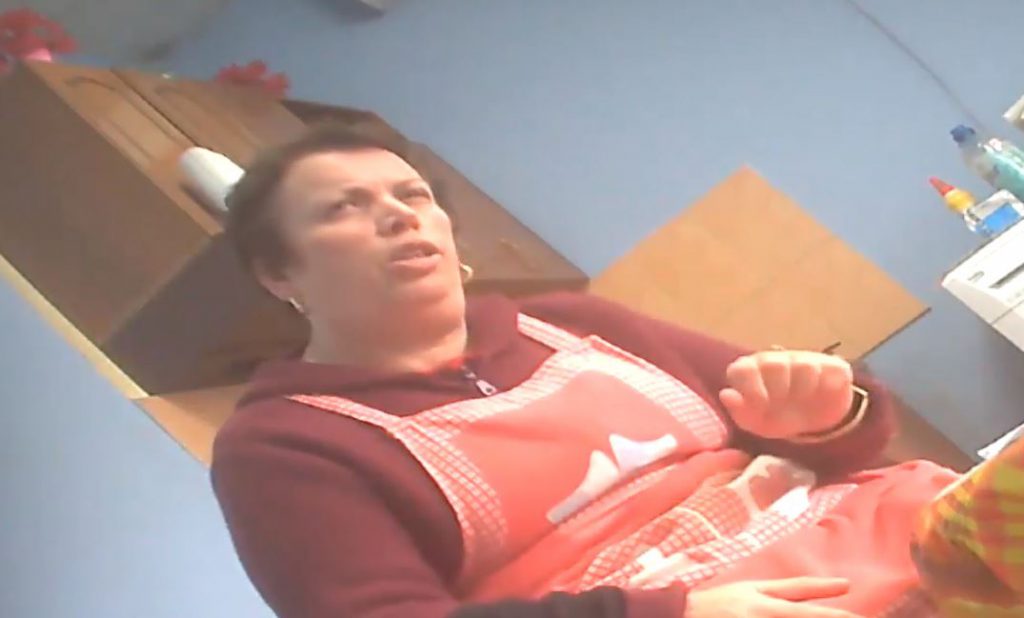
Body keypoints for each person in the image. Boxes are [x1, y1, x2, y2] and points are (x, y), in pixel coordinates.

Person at [211, 124, 959, 618]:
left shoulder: (576, 321)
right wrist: (672, 614)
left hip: (863, 535)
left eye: (413, 196)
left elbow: (844, 439)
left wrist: (829, 418)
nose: (401, 215)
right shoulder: (284, 449)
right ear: (279, 274)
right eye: (344, 208)